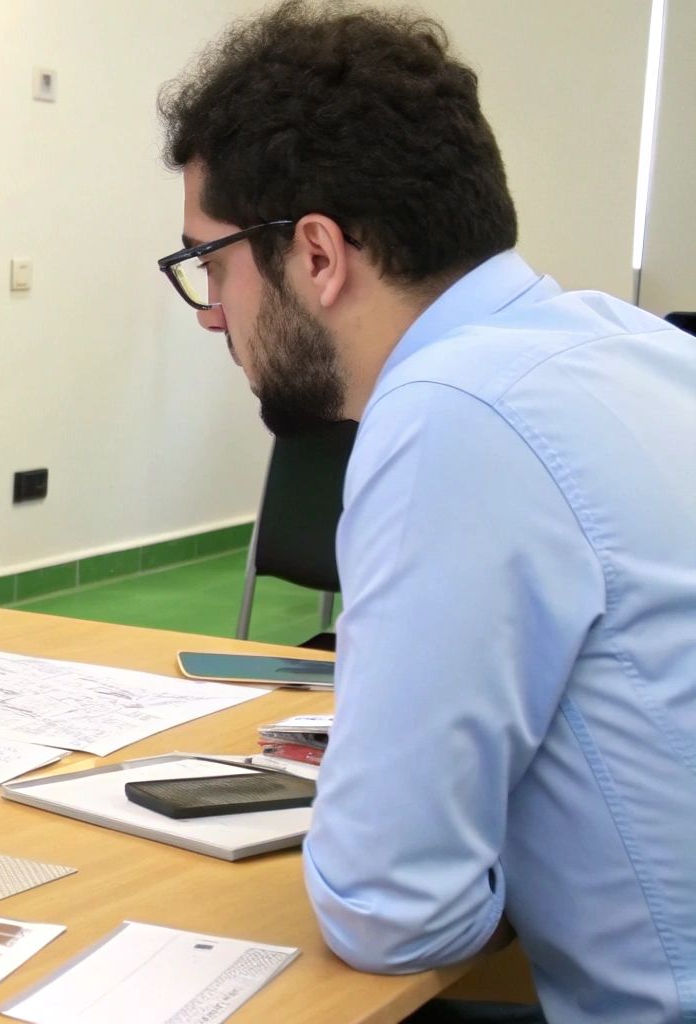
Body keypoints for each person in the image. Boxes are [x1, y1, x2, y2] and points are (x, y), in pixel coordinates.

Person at [157, 3, 696, 1021]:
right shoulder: (635, 348)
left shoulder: (451, 414)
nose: (213, 313)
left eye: (210, 262)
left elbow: (390, 911)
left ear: (314, 254)